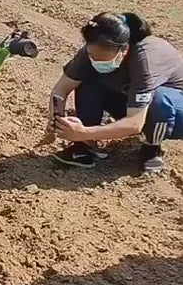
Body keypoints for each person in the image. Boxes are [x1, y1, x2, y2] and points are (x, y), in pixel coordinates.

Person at [47, 11, 183, 175]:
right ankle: (85, 145)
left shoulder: (145, 58)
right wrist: (56, 119)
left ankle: (152, 147)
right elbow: (61, 90)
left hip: (173, 112)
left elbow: (135, 123)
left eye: (103, 57)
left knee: (159, 99)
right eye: (92, 55)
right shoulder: (92, 50)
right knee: (89, 78)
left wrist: (81, 131)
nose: (96, 60)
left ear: (124, 50)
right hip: (133, 100)